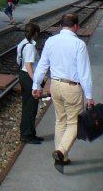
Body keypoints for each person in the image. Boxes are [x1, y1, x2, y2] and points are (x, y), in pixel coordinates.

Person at [32, 13, 95, 173]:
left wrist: (36, 85)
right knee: (75, 122)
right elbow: (84, 73)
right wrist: (89, 96)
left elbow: (41, 66)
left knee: (60, 120)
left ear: (62, 25)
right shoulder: (78, 44)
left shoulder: (50, 41)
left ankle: (63, 159)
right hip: (72, 87)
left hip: (55, 85)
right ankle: (61, 151)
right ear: (75, 26)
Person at [16, 23, 42, 144]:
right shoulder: (30, 47)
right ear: (35, 33)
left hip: (23, 75)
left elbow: (19, 61)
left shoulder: (22, 43)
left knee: (27, 106)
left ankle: (29, 132)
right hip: (29, 77)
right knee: (31, 108)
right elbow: (28, 65)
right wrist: (36, 82)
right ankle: (27, 135)